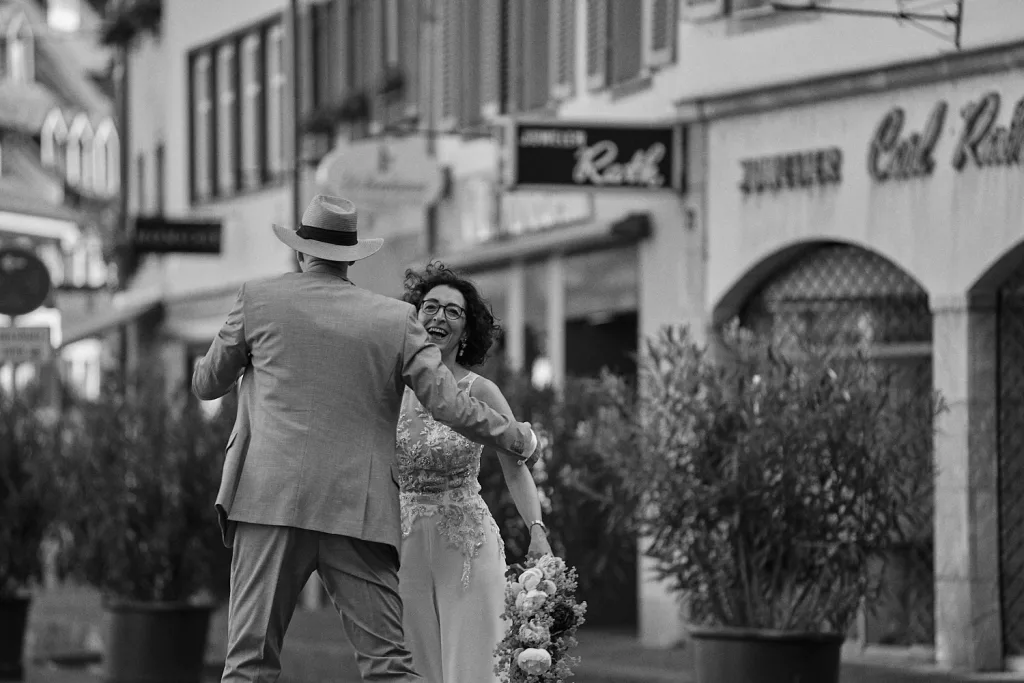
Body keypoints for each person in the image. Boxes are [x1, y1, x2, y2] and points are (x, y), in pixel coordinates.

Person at [192, 195, 538, 683]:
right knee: (388, 666)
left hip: (269, 502)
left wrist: (246, 359)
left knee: (248, 664)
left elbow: (207, 384)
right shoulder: (394, 320)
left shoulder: (257, 299)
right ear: (351, 259)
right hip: (357, 509)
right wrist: (516, 437)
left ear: (300, 251)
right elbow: (449, 405)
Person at [396, 262, 553, 683]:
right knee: (413, 667)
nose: (439, 317)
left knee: (474, 666)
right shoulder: (391, 388)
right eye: (430, 307)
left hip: (466, 544)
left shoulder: (481, 391)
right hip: (402, 545)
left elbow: (516, 469)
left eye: (453, 311)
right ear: (415, 316)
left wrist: (536, 529)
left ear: (466, 330)